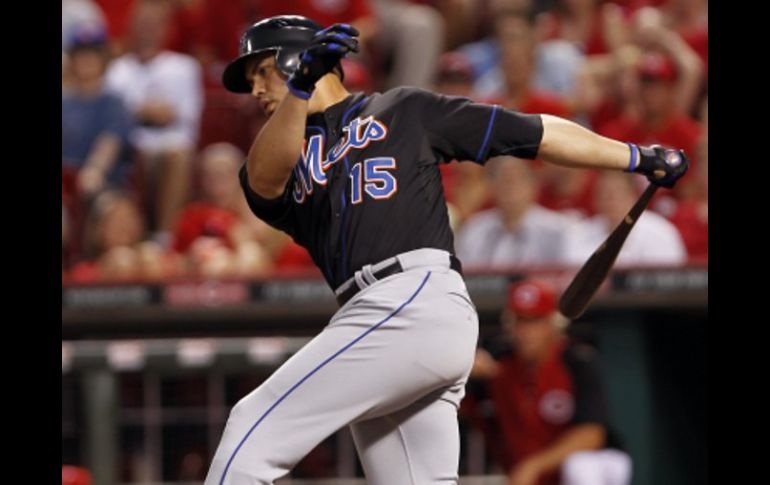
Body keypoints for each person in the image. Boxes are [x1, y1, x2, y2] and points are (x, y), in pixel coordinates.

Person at [204, 15, 688, 484]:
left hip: (413, 296)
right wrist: (300, 89)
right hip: (378, 316)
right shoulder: (275, 152)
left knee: (251, 427)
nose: (258, 90)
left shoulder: (405, 109)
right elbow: (267, 177)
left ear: (298, 60)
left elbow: (533, 133)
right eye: (252, 81)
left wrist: (635, 156)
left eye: (265, 71)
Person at [472, 279, 631, 485]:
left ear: (553, 323)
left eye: (534, 321)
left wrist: (534, 465)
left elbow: (592, 436)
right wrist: (462, 373)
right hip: (529, 472)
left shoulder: (577, 360)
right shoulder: (499, 362)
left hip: (599, 465)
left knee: (581, 467)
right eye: (519, 321)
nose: (526, 332)